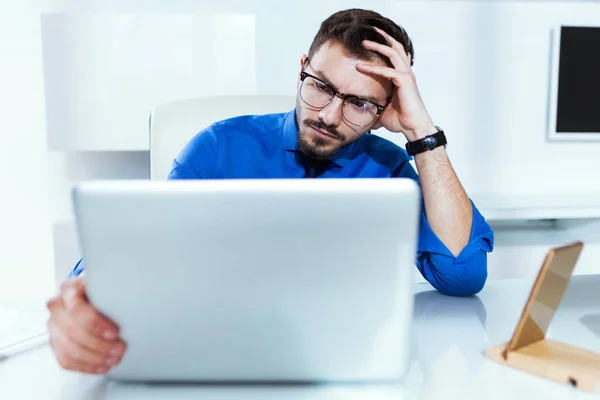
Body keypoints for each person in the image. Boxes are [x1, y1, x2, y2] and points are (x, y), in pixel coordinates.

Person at [46, 8, 494, 375]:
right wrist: (87, 295)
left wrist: (422, 133)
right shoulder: (218, 146)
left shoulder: (389, 168)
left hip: (348, 364)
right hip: (217, 355)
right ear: (302, 69)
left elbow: (462, 276)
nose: (330, 116)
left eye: (358, 104)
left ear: (382, 113)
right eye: (321, 87)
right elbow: (146, 248)